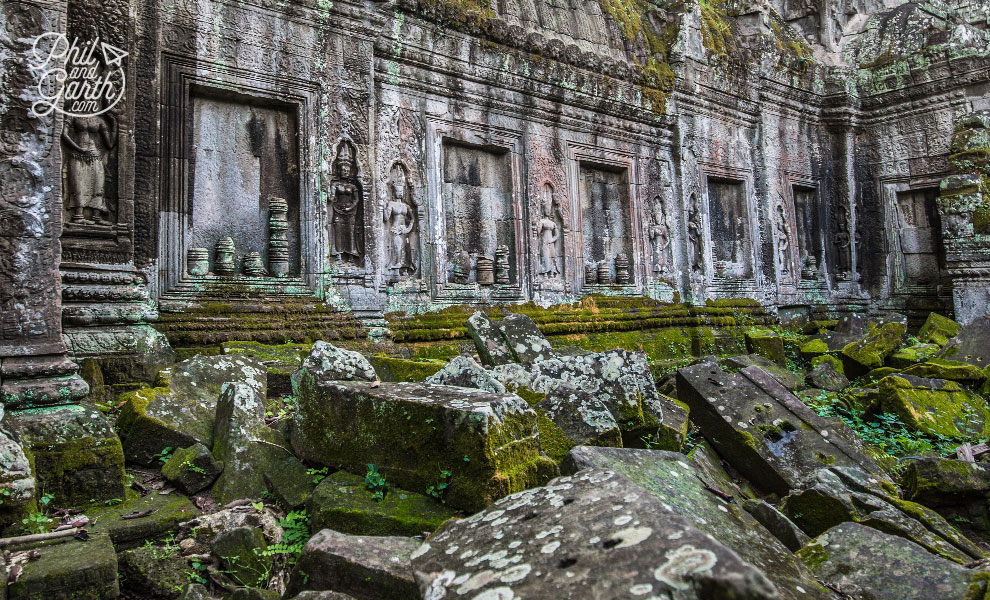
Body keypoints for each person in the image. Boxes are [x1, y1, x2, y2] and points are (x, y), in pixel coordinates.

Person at [62, 113, 116, 225]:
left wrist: (115, 124)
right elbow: (64, 135)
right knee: (78, 185)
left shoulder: (99, 120)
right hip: (77, 154)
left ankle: (96, 216)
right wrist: (79, 149)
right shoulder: (72, 115)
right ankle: (78, 215)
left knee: (98, 185)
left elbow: (110, 144)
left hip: (94, 155)